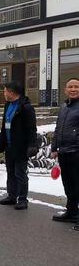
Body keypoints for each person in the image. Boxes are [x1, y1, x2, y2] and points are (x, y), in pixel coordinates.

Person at [0, 81, 38, 210]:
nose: (4, 93)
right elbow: (5, 125)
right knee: (10, 172)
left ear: (11, 93)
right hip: (9, 146)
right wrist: (1, 140)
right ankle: (12, 196)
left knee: (20, 173)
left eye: (5, 91)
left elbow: (32, 128)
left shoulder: (26, 107)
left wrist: (32, 145)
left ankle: (22, 199)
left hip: (20, 147)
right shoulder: (8, 105)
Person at [50, 77, 79, 223]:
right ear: (65, 90)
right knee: (68, 184)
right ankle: (72, 212)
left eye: (76, 87)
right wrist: (54, 147)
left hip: (76, 152)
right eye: (71, 87)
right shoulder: (64, 107)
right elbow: (58, 128)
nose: (73, 89)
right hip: (64, 152)